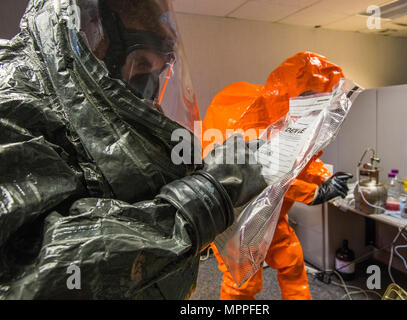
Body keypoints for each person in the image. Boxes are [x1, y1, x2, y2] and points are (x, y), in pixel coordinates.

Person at [0, 0, 267, 299]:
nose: (148, 91)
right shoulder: (11, 99)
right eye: (141, 64)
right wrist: (206, 199)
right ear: (88, 31)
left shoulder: (78, 102)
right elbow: (30, 271)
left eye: (158, 69)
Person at [202, 51, 353, 300]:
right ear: (290, 93)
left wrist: (324, 178)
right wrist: (315, 192)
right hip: (239, 219)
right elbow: (265, 176)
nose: (316, 107)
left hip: (270, 214)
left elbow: (300, 160)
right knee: (243, 281)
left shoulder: (294, 120)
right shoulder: (250, 123)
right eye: (311, 97)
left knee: (291, 262)